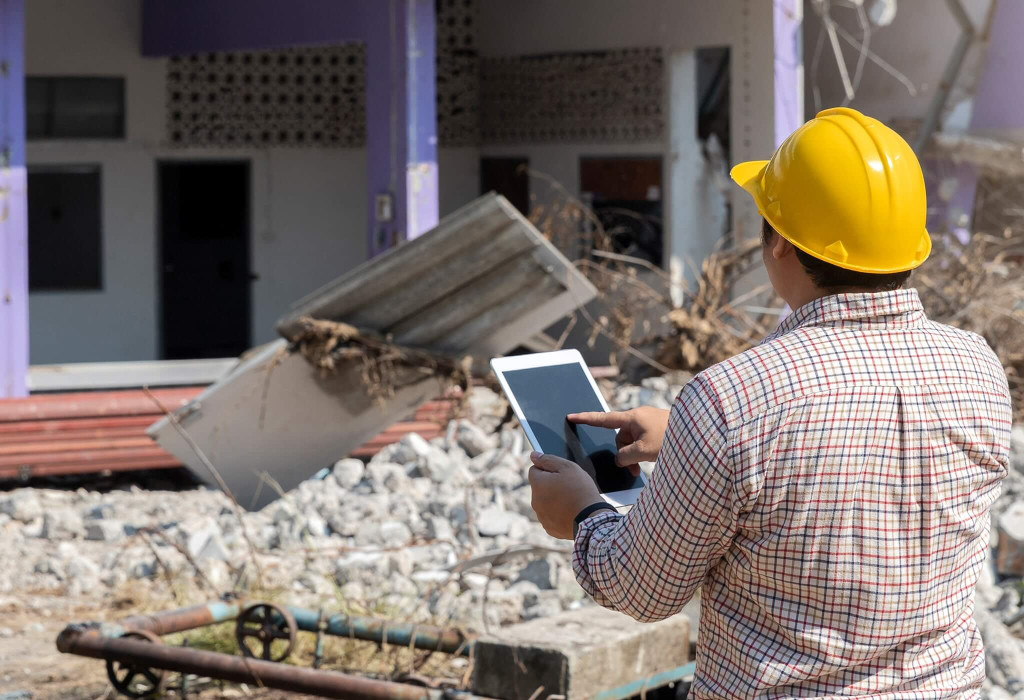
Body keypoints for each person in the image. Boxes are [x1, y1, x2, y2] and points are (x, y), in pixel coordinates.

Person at [527, 107, 1012, 698]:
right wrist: (687, 435)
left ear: (779, 240)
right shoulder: (978, 367)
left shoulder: (733, 400)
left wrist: (581, 512)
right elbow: (853, 445)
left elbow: (641, 589)